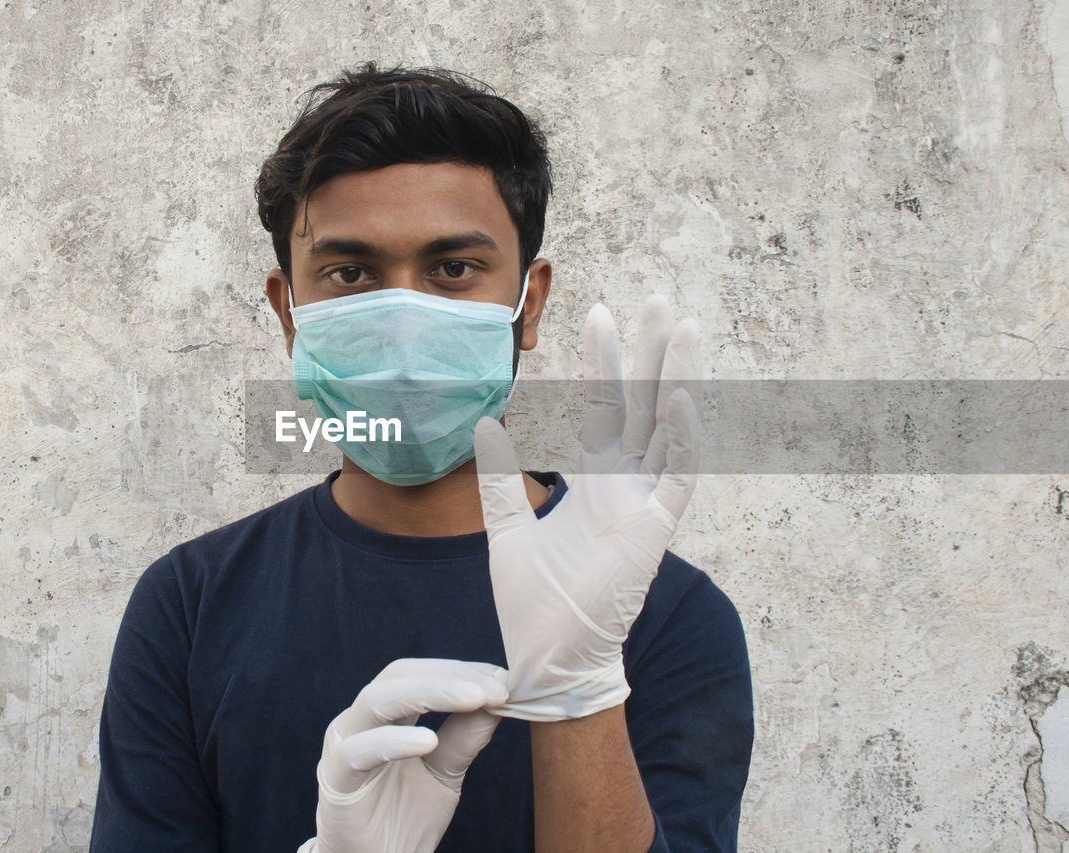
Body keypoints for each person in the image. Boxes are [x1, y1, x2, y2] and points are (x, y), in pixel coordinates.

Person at [89, 63, 753, 852]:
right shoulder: (190, 604)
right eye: (352, 273)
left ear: (528, 302)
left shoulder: (668, 614)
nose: (405, 322)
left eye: (453, 269)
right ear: (290, 313)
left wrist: (580, 693)